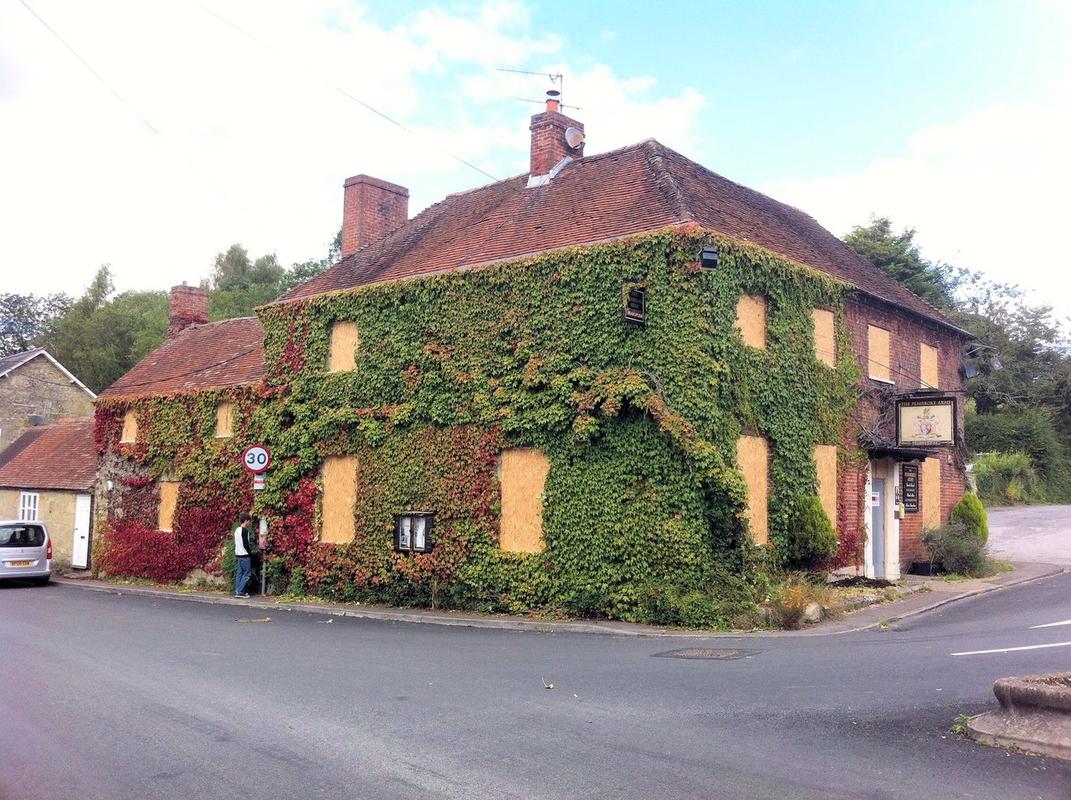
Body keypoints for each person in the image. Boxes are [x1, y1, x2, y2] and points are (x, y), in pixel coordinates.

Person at [233, 512, 254, 598]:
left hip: (238, 554)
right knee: (247, 574)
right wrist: (250, 553)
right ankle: (240, 592)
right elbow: (246, 544)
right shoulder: (245, 531)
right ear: (245, 521)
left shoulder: (237, 530)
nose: (249, 523)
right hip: (245, 555)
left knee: (240, 574)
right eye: (249, 521)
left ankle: (238, 590)